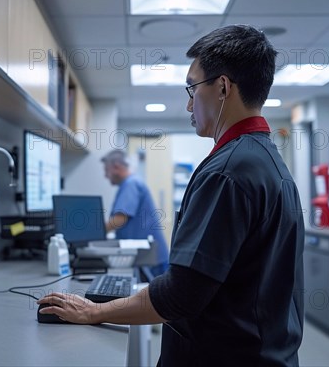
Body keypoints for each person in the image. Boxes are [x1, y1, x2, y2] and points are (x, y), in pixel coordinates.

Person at [38, 25, 305, 366]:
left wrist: (94, 311)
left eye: (192, 89)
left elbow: (181, 296)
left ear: (222, 87)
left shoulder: (229, 171)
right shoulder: (267, 162)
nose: (189, 103)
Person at [101, 149, 169, 277]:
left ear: (116, 167)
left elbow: (120, 219)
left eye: (106, 170)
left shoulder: (131, 184)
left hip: (151, 260)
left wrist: (95, 233)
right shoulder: (131, 183)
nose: (105, 175)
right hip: (149, 257)